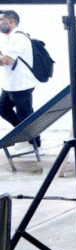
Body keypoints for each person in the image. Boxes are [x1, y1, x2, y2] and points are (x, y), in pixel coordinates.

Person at [0, 10, 40, 153]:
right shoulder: (9, 38)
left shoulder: (19, 37)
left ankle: (34, 144)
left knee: (26, 115)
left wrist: (3, 58)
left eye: (1, 20)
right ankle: (24, 136)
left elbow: (7, 60)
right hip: (10, 84)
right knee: (3, 109)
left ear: (11, 21)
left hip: (21, 85)